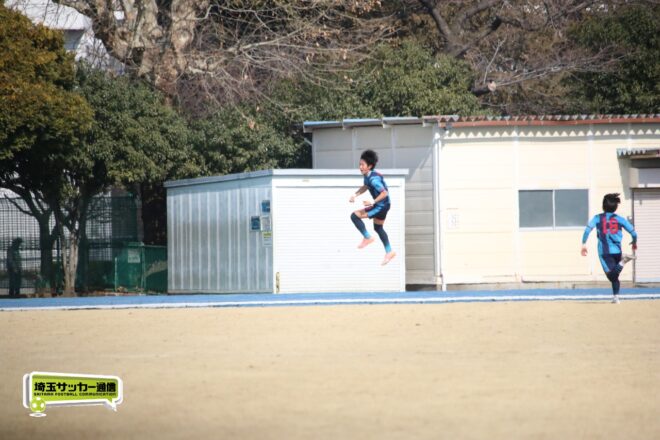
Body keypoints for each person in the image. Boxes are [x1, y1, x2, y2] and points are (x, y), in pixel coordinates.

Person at [581, 193, 637, 304]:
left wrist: (583, 244)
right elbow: (633, 233)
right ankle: (616, 298)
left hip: (605, 252)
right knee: (615, 277)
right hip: (617, 251)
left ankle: (623, 261)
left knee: (611, 276)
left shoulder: (598, 218)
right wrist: (634, 242)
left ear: (603, 206)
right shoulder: (620, 219)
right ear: (616, 207)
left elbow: (587, 230)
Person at [349, 149, 396, 265]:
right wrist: (355, 195)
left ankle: (367, 237)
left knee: (354, 216)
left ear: (369, 166)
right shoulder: (368, 175)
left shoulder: (374, 179)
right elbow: (365, 186)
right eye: (359, 164)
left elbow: (384, 193)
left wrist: (372, 202)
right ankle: (389, 251)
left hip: (381, 206)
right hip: (385, 205)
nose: (360, 167)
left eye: (362, 165)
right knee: (378, 228)